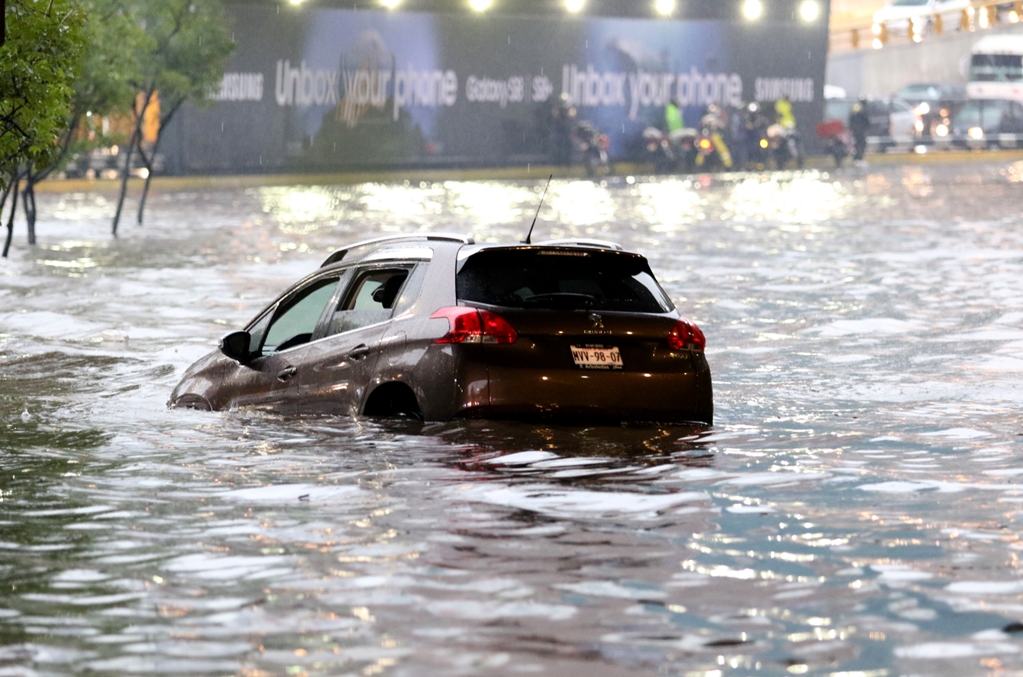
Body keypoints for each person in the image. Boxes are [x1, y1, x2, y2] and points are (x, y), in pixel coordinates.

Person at [849, 96, 870, 162]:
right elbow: (865, 119)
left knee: (858, 143)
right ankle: (858, 157)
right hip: (860, 129)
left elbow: (851, 118)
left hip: (857, 129)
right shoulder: (862, 109)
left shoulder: (857, 107)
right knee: (861, 143)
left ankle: (857, 156)